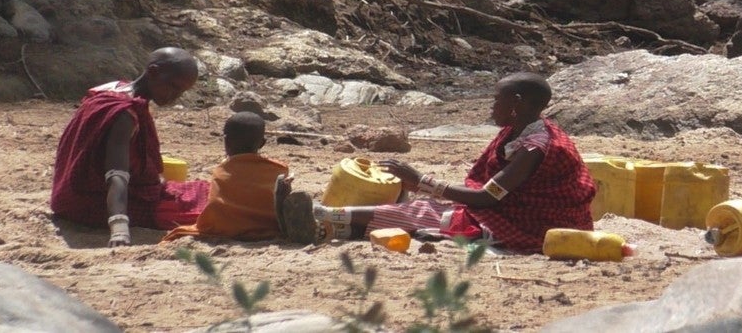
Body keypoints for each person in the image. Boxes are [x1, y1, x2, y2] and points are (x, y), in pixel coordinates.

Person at [278, 72, 596, 253]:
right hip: (523, 212)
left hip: (535, 226)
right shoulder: (523, 131)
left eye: (497, 99)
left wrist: (423, 181)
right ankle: (327, 226)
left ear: (516, 104)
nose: (492, 106)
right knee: (429, 213)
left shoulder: (534, 147)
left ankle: (322, 215)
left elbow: (489, 197)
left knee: (428, 212)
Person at [51, 47, 211, 246]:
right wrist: (119, 227)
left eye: (181, 92)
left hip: (68, 195)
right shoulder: (125, 115)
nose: (174, 96)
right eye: (173, 87)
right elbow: (116, 174)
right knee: (209, 207)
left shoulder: (113, 89)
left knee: (205, 190)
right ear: (153, 72)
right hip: (95, 204)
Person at [162, 112, 289, 242]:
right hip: (267, 226)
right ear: (262, 143)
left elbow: (215, 208)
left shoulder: (222, 170)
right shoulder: (279, 169)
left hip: (224, 227)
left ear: (226, 140)